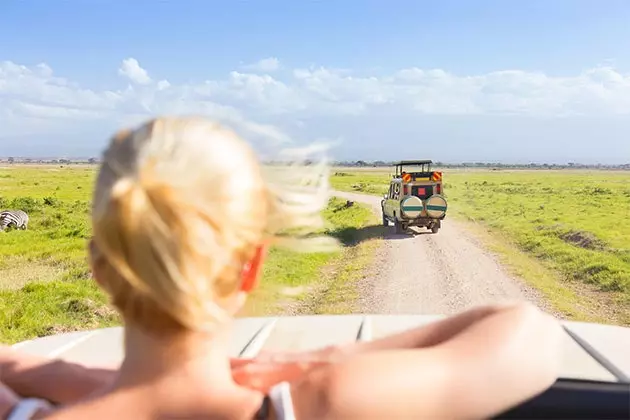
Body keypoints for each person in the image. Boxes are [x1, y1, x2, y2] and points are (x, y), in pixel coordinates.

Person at [1, 116, 564, 419]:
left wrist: (59, 378)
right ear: (252, 266)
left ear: (100, 266)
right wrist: (333, 357)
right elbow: (528, 334)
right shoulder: (319, 401)